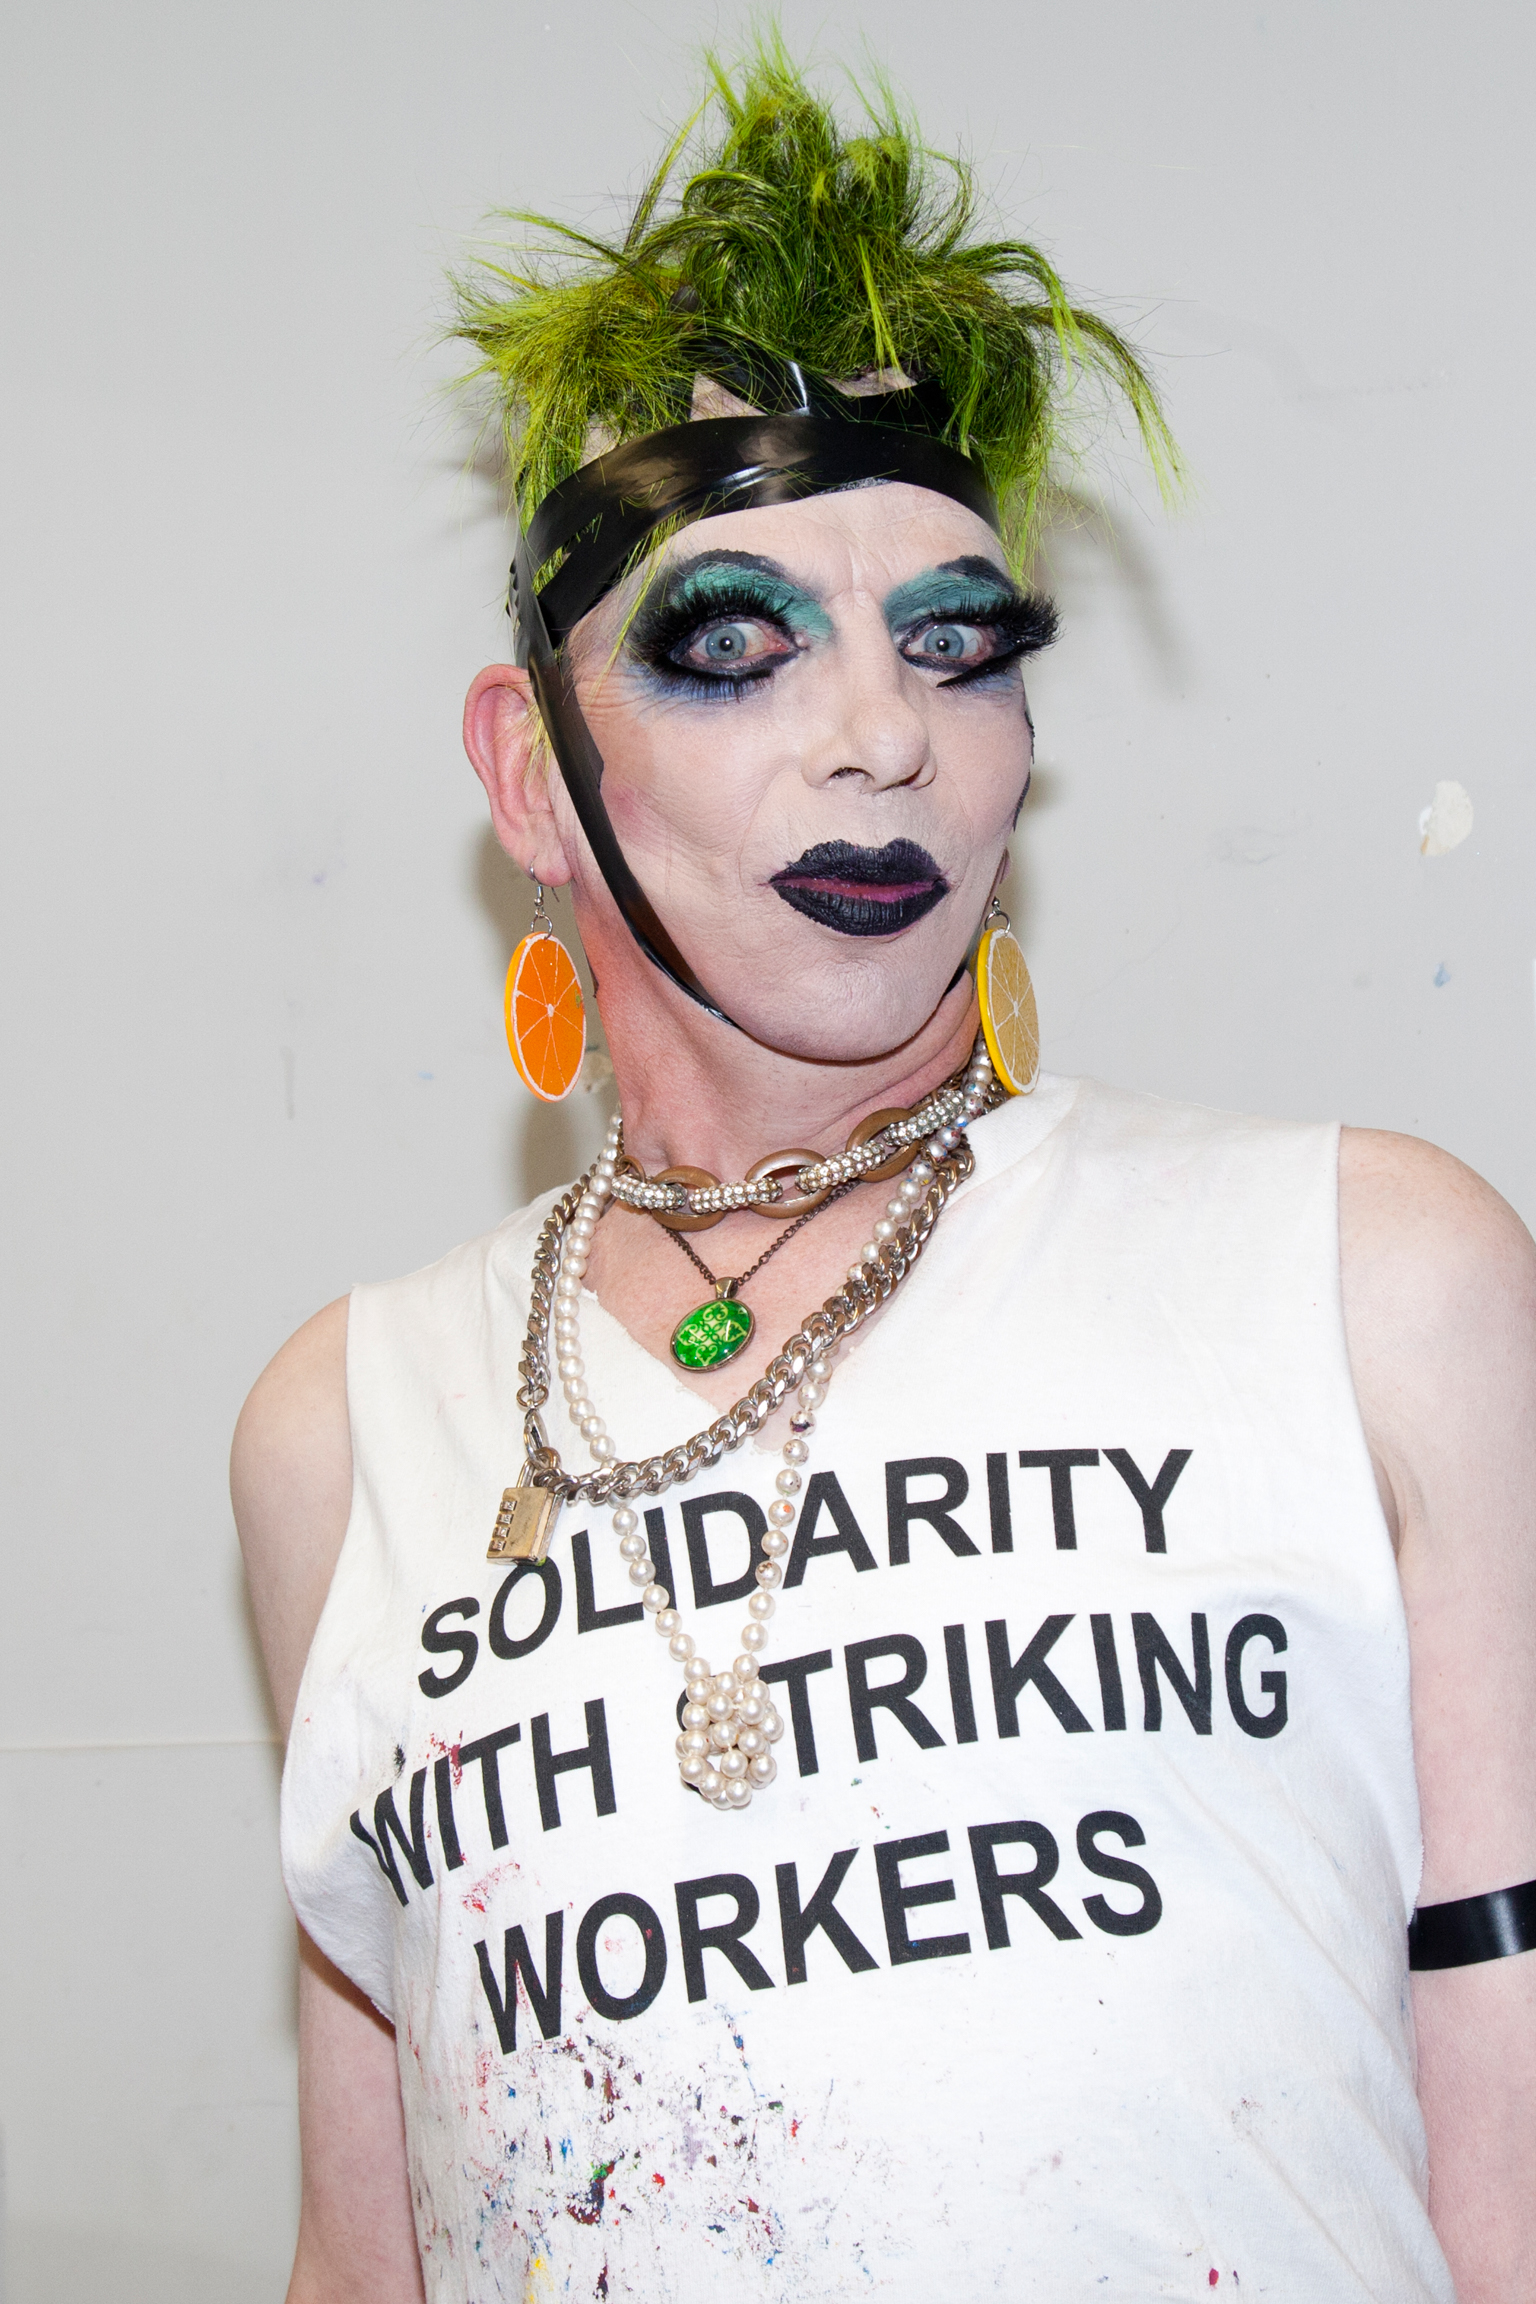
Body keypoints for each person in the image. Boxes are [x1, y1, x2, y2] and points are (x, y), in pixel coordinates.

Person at [233, 44, 1536, 2304]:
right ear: (531, 772)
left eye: (959, 642)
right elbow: (373, 2251)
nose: (884, 733)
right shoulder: (341, 1431)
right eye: (735, 645)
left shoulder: (1369, 1272)